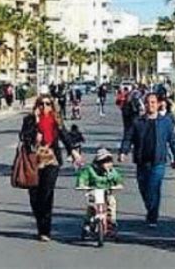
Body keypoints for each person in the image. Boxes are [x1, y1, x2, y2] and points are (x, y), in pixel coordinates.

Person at [19, 94, 81, 242]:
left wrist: (72, 151)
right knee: (34, 195)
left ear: (52, 106)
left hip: (51, 160)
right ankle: (40, 223)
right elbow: (24, 138)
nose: (44, 107)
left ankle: (45, 230)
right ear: (36, 106)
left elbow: (64, 136)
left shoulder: (56, 120)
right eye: (41, 104)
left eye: (47, 104)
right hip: (33, 161)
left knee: (46, 193)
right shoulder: (29, 120)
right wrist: (35, 123)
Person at [119, 93, 175, 227]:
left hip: (158, 161)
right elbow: (128, 138)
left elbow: (173, 141)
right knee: (143, 188)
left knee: (154, 187)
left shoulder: (166, 122)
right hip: (141, 161)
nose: (150, 105)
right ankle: (150, 208)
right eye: (147, 102)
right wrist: (123, 151)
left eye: (153, 102)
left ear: (158, 104)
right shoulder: (137, 121)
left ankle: (153, 216)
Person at [76, 147, 123, 235]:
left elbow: (118, 180)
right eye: (105, 162)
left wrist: (118, 185)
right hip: (94, 190)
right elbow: (82, 177)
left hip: (107, 191)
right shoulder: (90, 170)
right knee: (91, 206)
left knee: (111, 202)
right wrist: (82, 185)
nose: (108, 164)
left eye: (110, 161)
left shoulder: (112, 172)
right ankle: (88, 222)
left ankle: (111, 220)